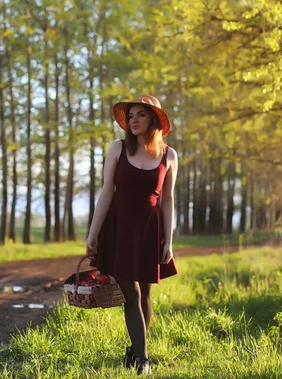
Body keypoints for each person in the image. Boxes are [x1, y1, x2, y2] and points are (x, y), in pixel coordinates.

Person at [86, 95, 178, 375]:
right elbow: (106, 193)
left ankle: (134, 350)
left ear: (154, 119)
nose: (133, 120)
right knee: (132, 295)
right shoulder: (118, 148)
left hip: (151, 230)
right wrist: (93, 233)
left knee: (147, 294)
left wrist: (169, 242)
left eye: (140, 115)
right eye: (130, 116)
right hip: (120, 228)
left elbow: (168, 200)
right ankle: (143, 360)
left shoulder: (169, 155)